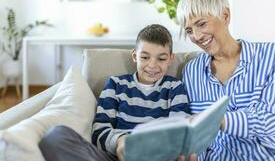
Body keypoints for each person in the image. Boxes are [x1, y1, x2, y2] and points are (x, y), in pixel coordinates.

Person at [176, 0, 275, 160]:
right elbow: (198, 134)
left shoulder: (269, 55)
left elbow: (272, 121)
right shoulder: (192, 72)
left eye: (201, 24)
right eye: (189, 30)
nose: (196, 36)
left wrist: (217, 120)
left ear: (225, 16)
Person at [39, 24, 191, 161]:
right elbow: (99, 131)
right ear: (134, 56)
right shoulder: (116, 84)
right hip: (117, 156)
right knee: (55, 136)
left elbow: (179, 131)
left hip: (157, 156)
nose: (152, 65)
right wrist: (120, 141)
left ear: (170, 59)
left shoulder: (175, 88)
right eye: (145, 57)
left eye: (161, 59)